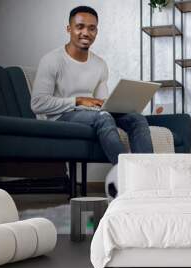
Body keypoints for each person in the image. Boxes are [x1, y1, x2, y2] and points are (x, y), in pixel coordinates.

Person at [30, 6, 153, 164]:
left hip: (90, 113)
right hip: (60, 116)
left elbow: (102, 100)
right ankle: (128, 173)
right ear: (69, 29)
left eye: (92, 28)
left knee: (137, 118)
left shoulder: (100, 64)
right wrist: (78, 100)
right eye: (80, 27)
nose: (86, 33)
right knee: (103, 117)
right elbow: (37, 104)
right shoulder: (51, 60)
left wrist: (117, 103)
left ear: (96, 31)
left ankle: (148, 174)